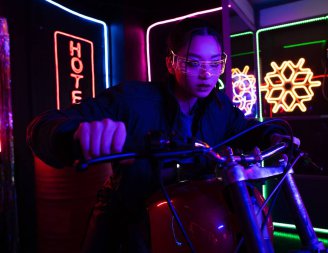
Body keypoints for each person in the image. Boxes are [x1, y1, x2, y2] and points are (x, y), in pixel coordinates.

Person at [27, 18, 296, 253]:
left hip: (188, 216)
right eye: (193, 63)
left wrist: (275, 135)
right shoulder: (133, 100)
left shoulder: (218, 105)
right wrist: (72, 134)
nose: (207, 74)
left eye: (215, 63)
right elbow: (42, 126)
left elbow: (245, 129)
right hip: (131, 216)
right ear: (170, 63)